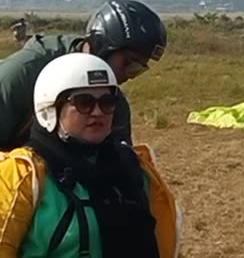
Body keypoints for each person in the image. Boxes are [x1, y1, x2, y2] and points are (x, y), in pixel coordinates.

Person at [0, 53, 180, 257]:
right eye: (84, 103)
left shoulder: (134, 169)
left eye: (107, 102)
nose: (98, 112)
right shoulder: (23, 176)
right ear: (51, 108)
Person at [0, 0, 167, 152]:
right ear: (104, 46)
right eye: (129, 63)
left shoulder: (112, 105)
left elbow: (119, 167)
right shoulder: (22, 74)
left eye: (138, 70)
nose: (130, 75)